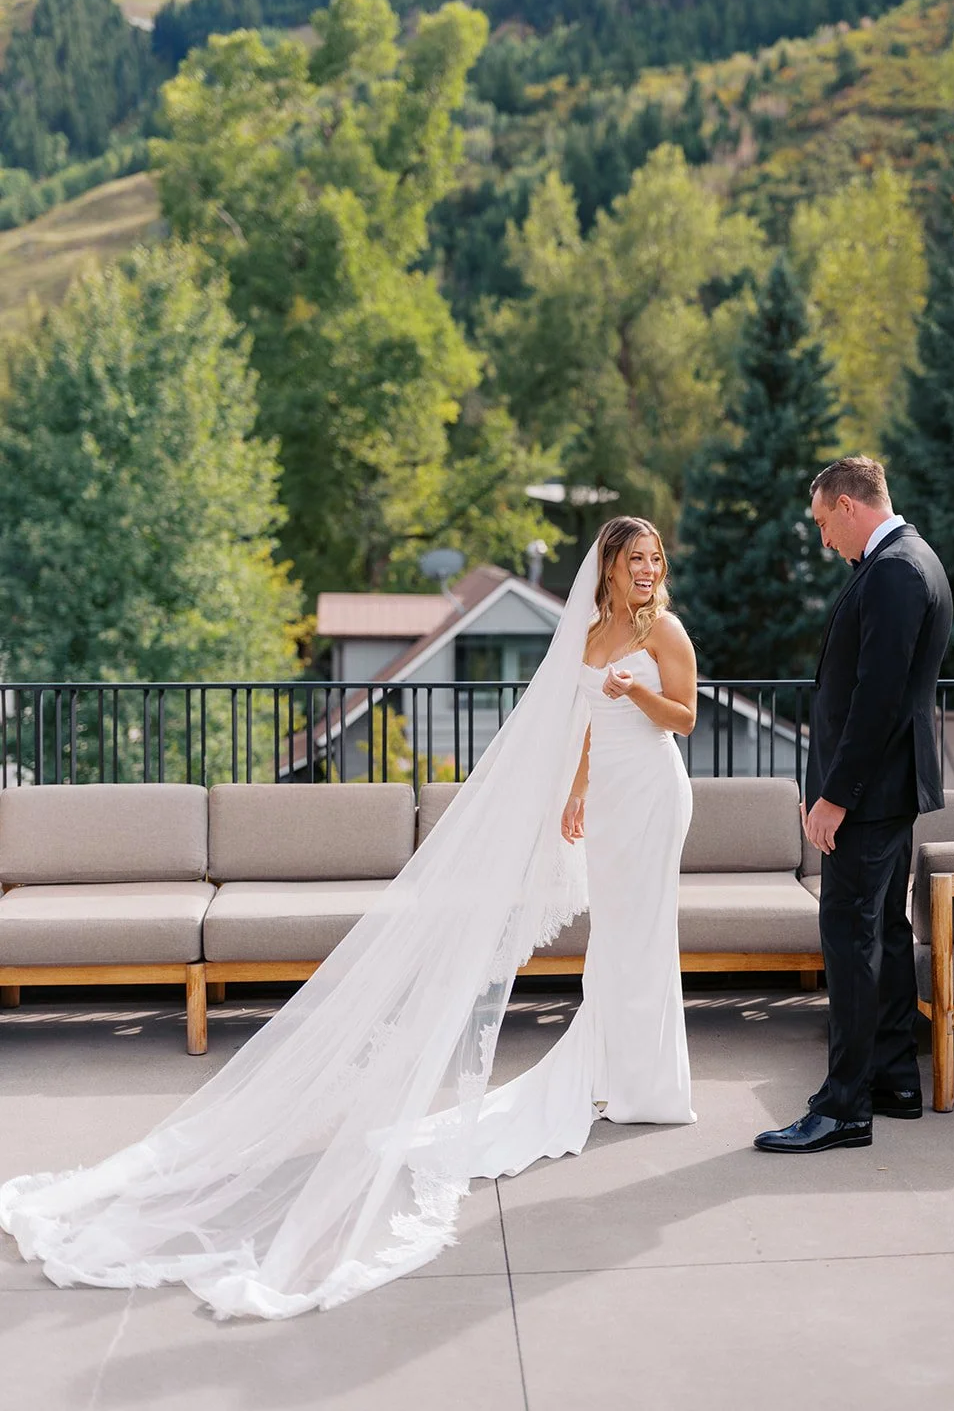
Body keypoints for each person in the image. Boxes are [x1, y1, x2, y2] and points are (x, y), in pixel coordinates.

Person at [0, 518, 698, 1318]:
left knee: (646, 935)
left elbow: (681, 716)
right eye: (633, 559)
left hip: (651, 795)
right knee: (612, 941)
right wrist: (575, 787)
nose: (647, 570)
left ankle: (650, 1085)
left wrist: (634, 690)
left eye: (653, 559)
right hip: (605, 799)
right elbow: (579, 722)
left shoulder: (663, 630)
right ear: (606, 570)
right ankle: (615, 1074)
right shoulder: (588, 630)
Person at [755, 457, 952, 1156]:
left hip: (868, 798)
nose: (823, 541)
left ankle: (843, 1108)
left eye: (821, 524)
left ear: (846, 505)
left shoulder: (897, 569)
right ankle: (894, 1079)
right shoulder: (911, 559)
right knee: (886, 935)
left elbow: (879, 697)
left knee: (849, 939)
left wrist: (835, 797)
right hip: (889, 792)